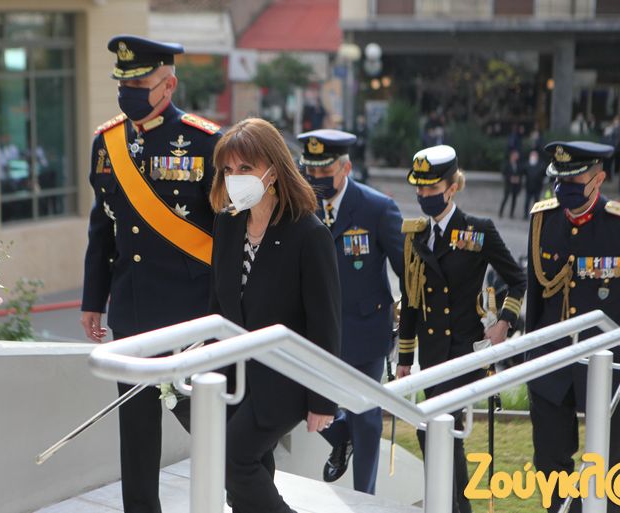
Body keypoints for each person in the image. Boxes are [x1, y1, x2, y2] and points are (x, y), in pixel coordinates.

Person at [80, 35, 221, 513]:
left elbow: (226, 235)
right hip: (132, 312)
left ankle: (251, 498)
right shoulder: (106, 143)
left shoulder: (205, 141)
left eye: (139, 84)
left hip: (191, 316)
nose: (128, 93)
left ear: (169, 85)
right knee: (137, 434)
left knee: (211, 426)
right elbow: (102, 229)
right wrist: (93, 300)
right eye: (123, 84)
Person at [208, 118, 341, 513]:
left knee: (232, 460)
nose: (235, 178)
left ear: (274, 169)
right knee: (249, 475)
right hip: (236, 374)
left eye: (246, 168)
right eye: (228, 169)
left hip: (286, 376)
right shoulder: (227, 223)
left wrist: (323, 399)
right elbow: (218, 304)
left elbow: (325, 323)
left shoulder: (308, 234)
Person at [396, 145, 526, 513]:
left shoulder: (478, 231)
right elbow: (411, 298)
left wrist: (503, 324)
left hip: (463, 350)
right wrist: (405, 356)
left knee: (434, 429)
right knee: (441, 433)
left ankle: (451, 504)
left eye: (431, 188)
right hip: (431, 354)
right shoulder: (416, 234)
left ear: (452, 188)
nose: (423, 195)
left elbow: (517, 279)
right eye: (419, 188)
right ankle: (456, 504)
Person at [526, 141, 620, 513]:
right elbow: (537, 293)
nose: (563, 189)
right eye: (558, 180)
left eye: (573, 181)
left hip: (608, 366)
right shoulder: (543, 219)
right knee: (550, 464)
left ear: (598, 179)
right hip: (551, 365)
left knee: (611, 467)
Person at [297, 129, 404, 494]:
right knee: (295, 394)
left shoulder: (377, 208)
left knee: (366, 415)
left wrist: (409, 327)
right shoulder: (303, 203)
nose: (315, 179)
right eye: (310, 171)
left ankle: (364, 497)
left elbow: (407, 270)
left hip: (365, 327)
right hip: (314, 328)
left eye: (324, 172)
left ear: (345, 168)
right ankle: (340, 434)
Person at [498, 148, 523, 219]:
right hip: (508, 185)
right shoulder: (507, 164)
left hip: (515, 185)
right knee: (505, 198)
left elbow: (520, 173)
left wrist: (518, 179)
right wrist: (510, 178)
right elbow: (504, 173)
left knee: (514, 199)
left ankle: (511, 213)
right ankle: (500, 212)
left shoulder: (518, 164)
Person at [523, 149, 546, 218]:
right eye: (532, 155)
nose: (533, 156)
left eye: (535, 155)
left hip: (537, 187)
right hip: (529, 186)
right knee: (527, 201)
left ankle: (536, 215)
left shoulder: (541, 164)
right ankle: (525, 215)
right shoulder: (527, 164)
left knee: (536, 202)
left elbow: (543, 173)